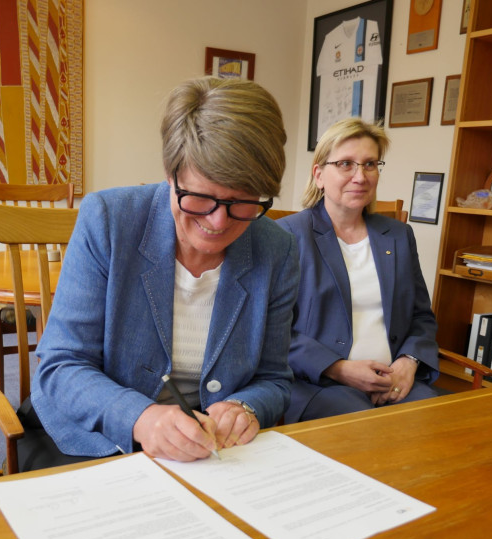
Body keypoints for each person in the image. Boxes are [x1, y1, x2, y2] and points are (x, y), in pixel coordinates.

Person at [18, 76, 300, 471]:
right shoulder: (109, 220)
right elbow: (61, 365)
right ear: (171, 173)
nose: (218, 222)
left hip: (204, 450)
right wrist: (141, 417)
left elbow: (274, 377)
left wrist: (244, 407)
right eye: (200, 198)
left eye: (242, 203)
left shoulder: (278, 249)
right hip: (92, 434)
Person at [277, 117, 439, 424]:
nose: (360, 176)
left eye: (369, 164)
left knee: (431, 420)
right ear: (319, 175)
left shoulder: (398, 235)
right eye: (346, 164)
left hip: (393, 379)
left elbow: (421, 317)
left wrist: (409, 362)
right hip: (318, 383)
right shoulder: (287, 236)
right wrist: (339, 368)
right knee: (366, 428)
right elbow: (273, 331)